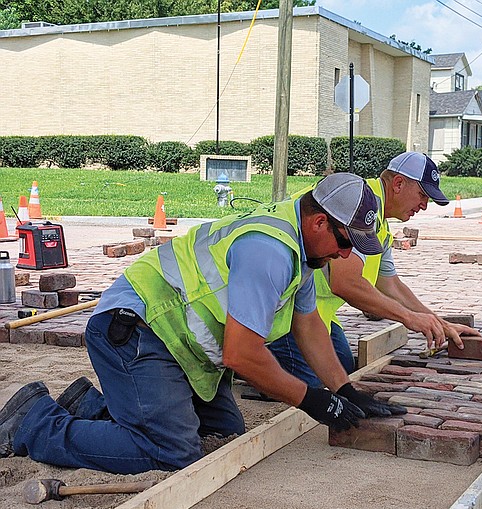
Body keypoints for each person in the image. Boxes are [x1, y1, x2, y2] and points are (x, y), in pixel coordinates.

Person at [0, 173, 406, 474]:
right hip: (137, 330)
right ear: (319, 223)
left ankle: (88, 408)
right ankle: (35, 423)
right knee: (170, 452)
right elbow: (242, 355)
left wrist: (344, 388)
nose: (345, 254)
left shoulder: (303, 248)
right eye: (345, 242)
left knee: (226, 430)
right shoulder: (270, 252)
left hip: (182, 347)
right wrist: (311, 400)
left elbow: (309, 325)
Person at [268, 151, 480, 388]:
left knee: (344, 367)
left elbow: (390, 284)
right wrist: (409, 318)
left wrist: (439, 324)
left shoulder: (380, 222)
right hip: (281, 314)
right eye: (422, 194)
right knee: (318, 386)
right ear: (398, 183)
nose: (424, 206)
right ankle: (260, 362)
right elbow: (345, 283)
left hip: (314, 313)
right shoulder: (359, 209)